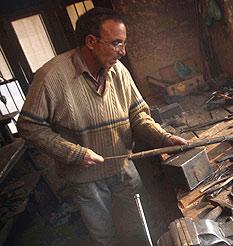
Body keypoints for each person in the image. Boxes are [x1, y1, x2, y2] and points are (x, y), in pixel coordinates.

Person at [17, 7, 187, 245]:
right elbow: (28, 126)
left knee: (141, 226)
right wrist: (74, 153)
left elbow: (138, 114)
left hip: (123, 167)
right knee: (105, 237)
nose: (123, 51)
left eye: (124, 43)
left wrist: (163, 138)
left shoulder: (118, 70)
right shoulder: (52, 77)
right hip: (85, 179)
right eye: (117, 43)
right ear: (91, 41)